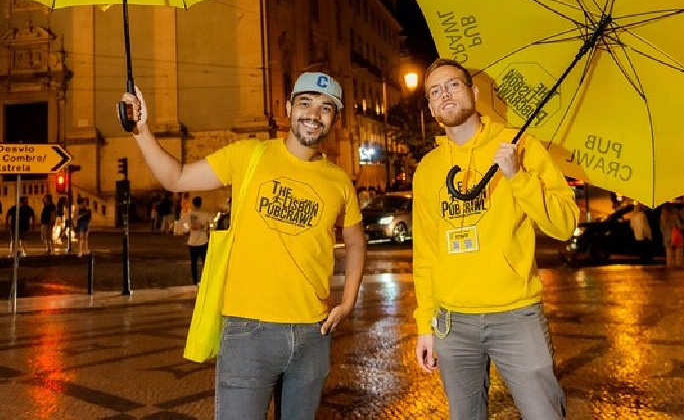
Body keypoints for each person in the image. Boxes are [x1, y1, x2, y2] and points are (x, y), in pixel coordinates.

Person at [120, 70, 366, 420]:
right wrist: (141, 130)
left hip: (314, 332)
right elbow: (176, 178)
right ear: (288, 107)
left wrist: (349, 299)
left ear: (334, 118)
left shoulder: (340, 181)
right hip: (250, 332)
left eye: (325, 107)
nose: (314, 114)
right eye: (306, 103)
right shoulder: (249, 155)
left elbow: (356, 242)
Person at [412, 58, 578, 420]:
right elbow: (425, 253)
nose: (445, 95)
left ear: (473, 92)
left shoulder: (519, 145)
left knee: (544, 413)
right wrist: (425, 325)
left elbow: (564, 225)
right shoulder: (427, 170)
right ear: (430, 106)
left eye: (453, 85)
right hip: (452, 322)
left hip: (516, 314)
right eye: (435, 92)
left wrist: (518, 177)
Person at [180, 195, 212, 286]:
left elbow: (181, 224)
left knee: (193, 263)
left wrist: (188, 228)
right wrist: (206, 229)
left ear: (193, 204)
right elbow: (212, 226)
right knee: (205, 262)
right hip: (203, 241)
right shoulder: (205, 215)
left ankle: (195, 280)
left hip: (192, 242)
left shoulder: (189, 215)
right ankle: (205, 279)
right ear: (200, 203)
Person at [660, 202, 684, 267]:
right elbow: (679, 226)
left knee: (669, 257)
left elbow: (662, 229)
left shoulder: (662, 217)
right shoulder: (675, 215)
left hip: (667, 237)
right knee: (678, 256)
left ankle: (670, 270)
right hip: (676, 236)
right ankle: (678, 271)